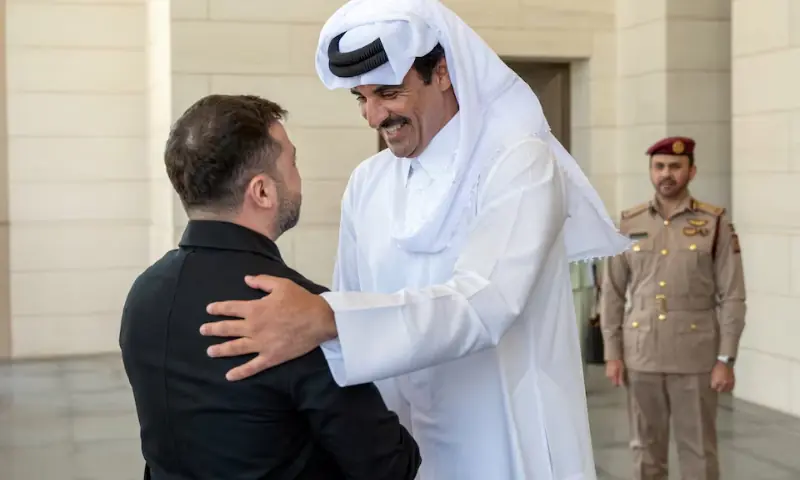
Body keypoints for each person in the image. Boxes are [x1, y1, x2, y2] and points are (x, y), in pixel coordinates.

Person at [199, 1, 632, 478]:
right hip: (397, 441)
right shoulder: (368, 182)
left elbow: (485, 303)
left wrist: (327, 319)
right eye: (360, 98)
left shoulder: (518, 163)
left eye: (388, 93)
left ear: (442, 73)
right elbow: (351, 299)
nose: (373, 116)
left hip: (502, 435)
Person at [119, 94, 421, 480]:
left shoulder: (144, 294)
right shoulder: (299, 312)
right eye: (292, 161)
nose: (298, 177)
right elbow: (391, 465)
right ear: (262, 191)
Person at [599, 136, 746, 480]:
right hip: (642, 354)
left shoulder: (715, 224)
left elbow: (733, 295)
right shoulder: (629, 223)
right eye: (660, 166)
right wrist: (612, 352)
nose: (667, 174)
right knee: (645, 452)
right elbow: (612, 293)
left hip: (695, 357)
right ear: (651, 171)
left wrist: (726, 359)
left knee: (699, 453)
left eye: (676, 167)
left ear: (691, 171)